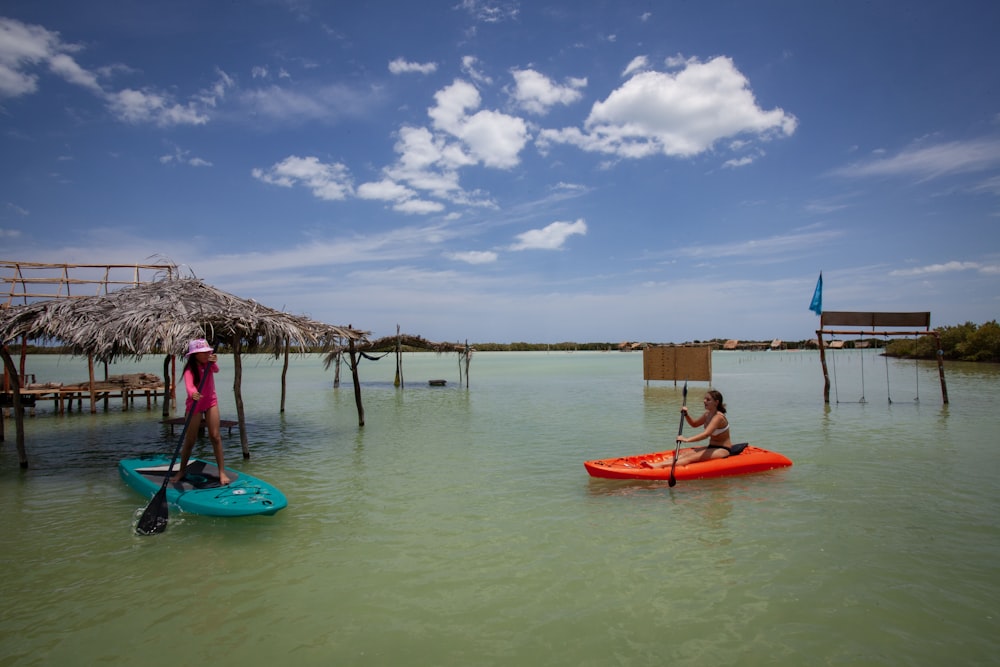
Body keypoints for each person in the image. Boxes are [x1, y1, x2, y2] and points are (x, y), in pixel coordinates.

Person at [170, 338, 231, 485]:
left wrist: (213, 361)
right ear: (194, 355)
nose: (205, 354)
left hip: (210, 402)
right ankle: (181, 471)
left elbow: (216, 369)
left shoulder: (209, 365)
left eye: (207, 352)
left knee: (215, 436)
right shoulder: (189, 370)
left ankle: (221, 472)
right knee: (190, 440)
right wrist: (193, 393)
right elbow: (189, 386)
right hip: (194, 404)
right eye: (201, 353)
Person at [644, 389, 733, 468]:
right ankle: (662, 463)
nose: (704, 401)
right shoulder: (707, 414)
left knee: (690, 458)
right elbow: (694, 424)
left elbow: (706, 434)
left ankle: (657, 466)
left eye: (708, 400)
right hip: (711, 447)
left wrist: (686, 440)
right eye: (704, 399)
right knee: (683, 454)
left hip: (723, 449)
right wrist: (686, 414)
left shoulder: (718, 417)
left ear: (716, 402)